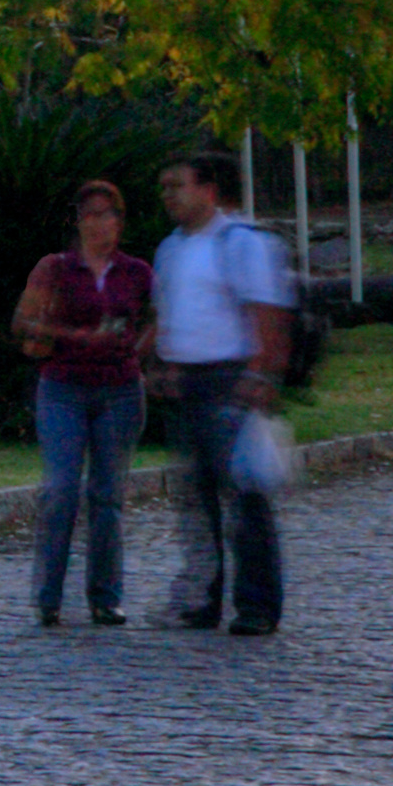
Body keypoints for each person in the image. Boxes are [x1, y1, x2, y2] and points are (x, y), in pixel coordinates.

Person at [149, 151, 298, 635]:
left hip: (229, 381)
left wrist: (260, 376)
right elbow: (171, 313)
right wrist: (166, 365)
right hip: (187, 384)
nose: (169, 194)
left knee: (245, 500)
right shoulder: (170, 248)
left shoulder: (241, 243)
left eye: (178, 184)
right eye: (165, 186)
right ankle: (203, 599)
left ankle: (256, 605)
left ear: (208, 189)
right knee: (197, 502)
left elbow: (268, 313)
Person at [11, 178, 154, 626]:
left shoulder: (136, 273)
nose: (99, 224)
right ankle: (48, 595)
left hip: (120, 390)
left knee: (108, 495)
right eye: (90, 215)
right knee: (60, 490)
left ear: (120, 221)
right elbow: (22, 321)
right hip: (63, 387)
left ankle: (106, 596)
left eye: (108, 214)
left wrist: (137, 349)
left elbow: (159, 316)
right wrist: (74, 335)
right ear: (77, 221)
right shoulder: (55, 268)